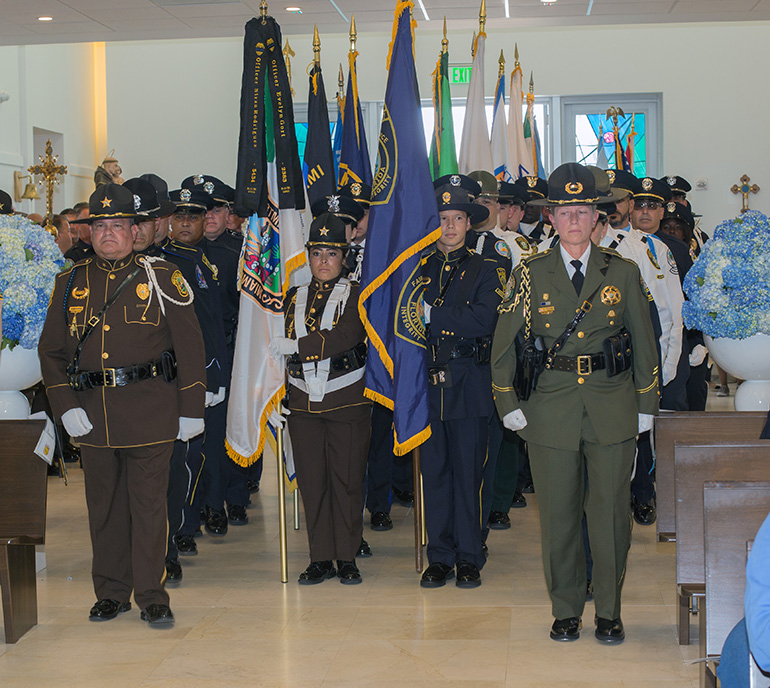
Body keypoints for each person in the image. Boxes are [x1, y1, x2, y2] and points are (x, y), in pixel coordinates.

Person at [491, 163, 659, 643]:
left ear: (595, 217)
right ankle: (566, 608)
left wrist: (647, 403)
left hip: (612, 406)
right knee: (559, 515)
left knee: (609, 515)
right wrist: (508, 403)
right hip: (550, 409)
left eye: (582, 211)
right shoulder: (528, 273)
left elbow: (646, 343)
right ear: (551, 218)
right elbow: (502, 348)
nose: (573, 221)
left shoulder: (622, 272)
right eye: (564, 212)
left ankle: (608, 610)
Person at [38, 183, 206, 626]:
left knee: (150, 507)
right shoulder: (69, 281)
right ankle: (111, 591)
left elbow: (190, 346)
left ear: (136, 231)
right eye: (101, 226)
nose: (109, 233)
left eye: (118, 225)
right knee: (104, 508)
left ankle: (152, 594)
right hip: (91, 415)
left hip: (151, 410)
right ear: (88, 234)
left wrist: (192, 408)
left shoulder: (162, 275)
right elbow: (51, 353)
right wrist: (64, 403)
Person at [269, 213, 371, 585]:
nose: (324, 261)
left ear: (344, 258)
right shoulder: (291, 296)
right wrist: (275, 393)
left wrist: (298, 346)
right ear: (308, 256)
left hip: (346, 399)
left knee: (346, 482)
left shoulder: (358, 295)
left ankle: (347, 556)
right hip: (302, 405)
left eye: (332, 253)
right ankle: (320, 557)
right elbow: (271, 352)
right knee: (313, 482)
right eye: (317, 253)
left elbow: (347, 336)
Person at [419, 179, 505, 589]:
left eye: (457, 219)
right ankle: (439, 555)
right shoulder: (418, 271)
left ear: (470, 225)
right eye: (442, 219)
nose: (449, 227)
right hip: (427, 385)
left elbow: (485, 320)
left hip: (469, 382)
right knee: (434, 473)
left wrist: (433, 317)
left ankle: (469, 555)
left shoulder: (488, 270)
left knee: (469, 475)